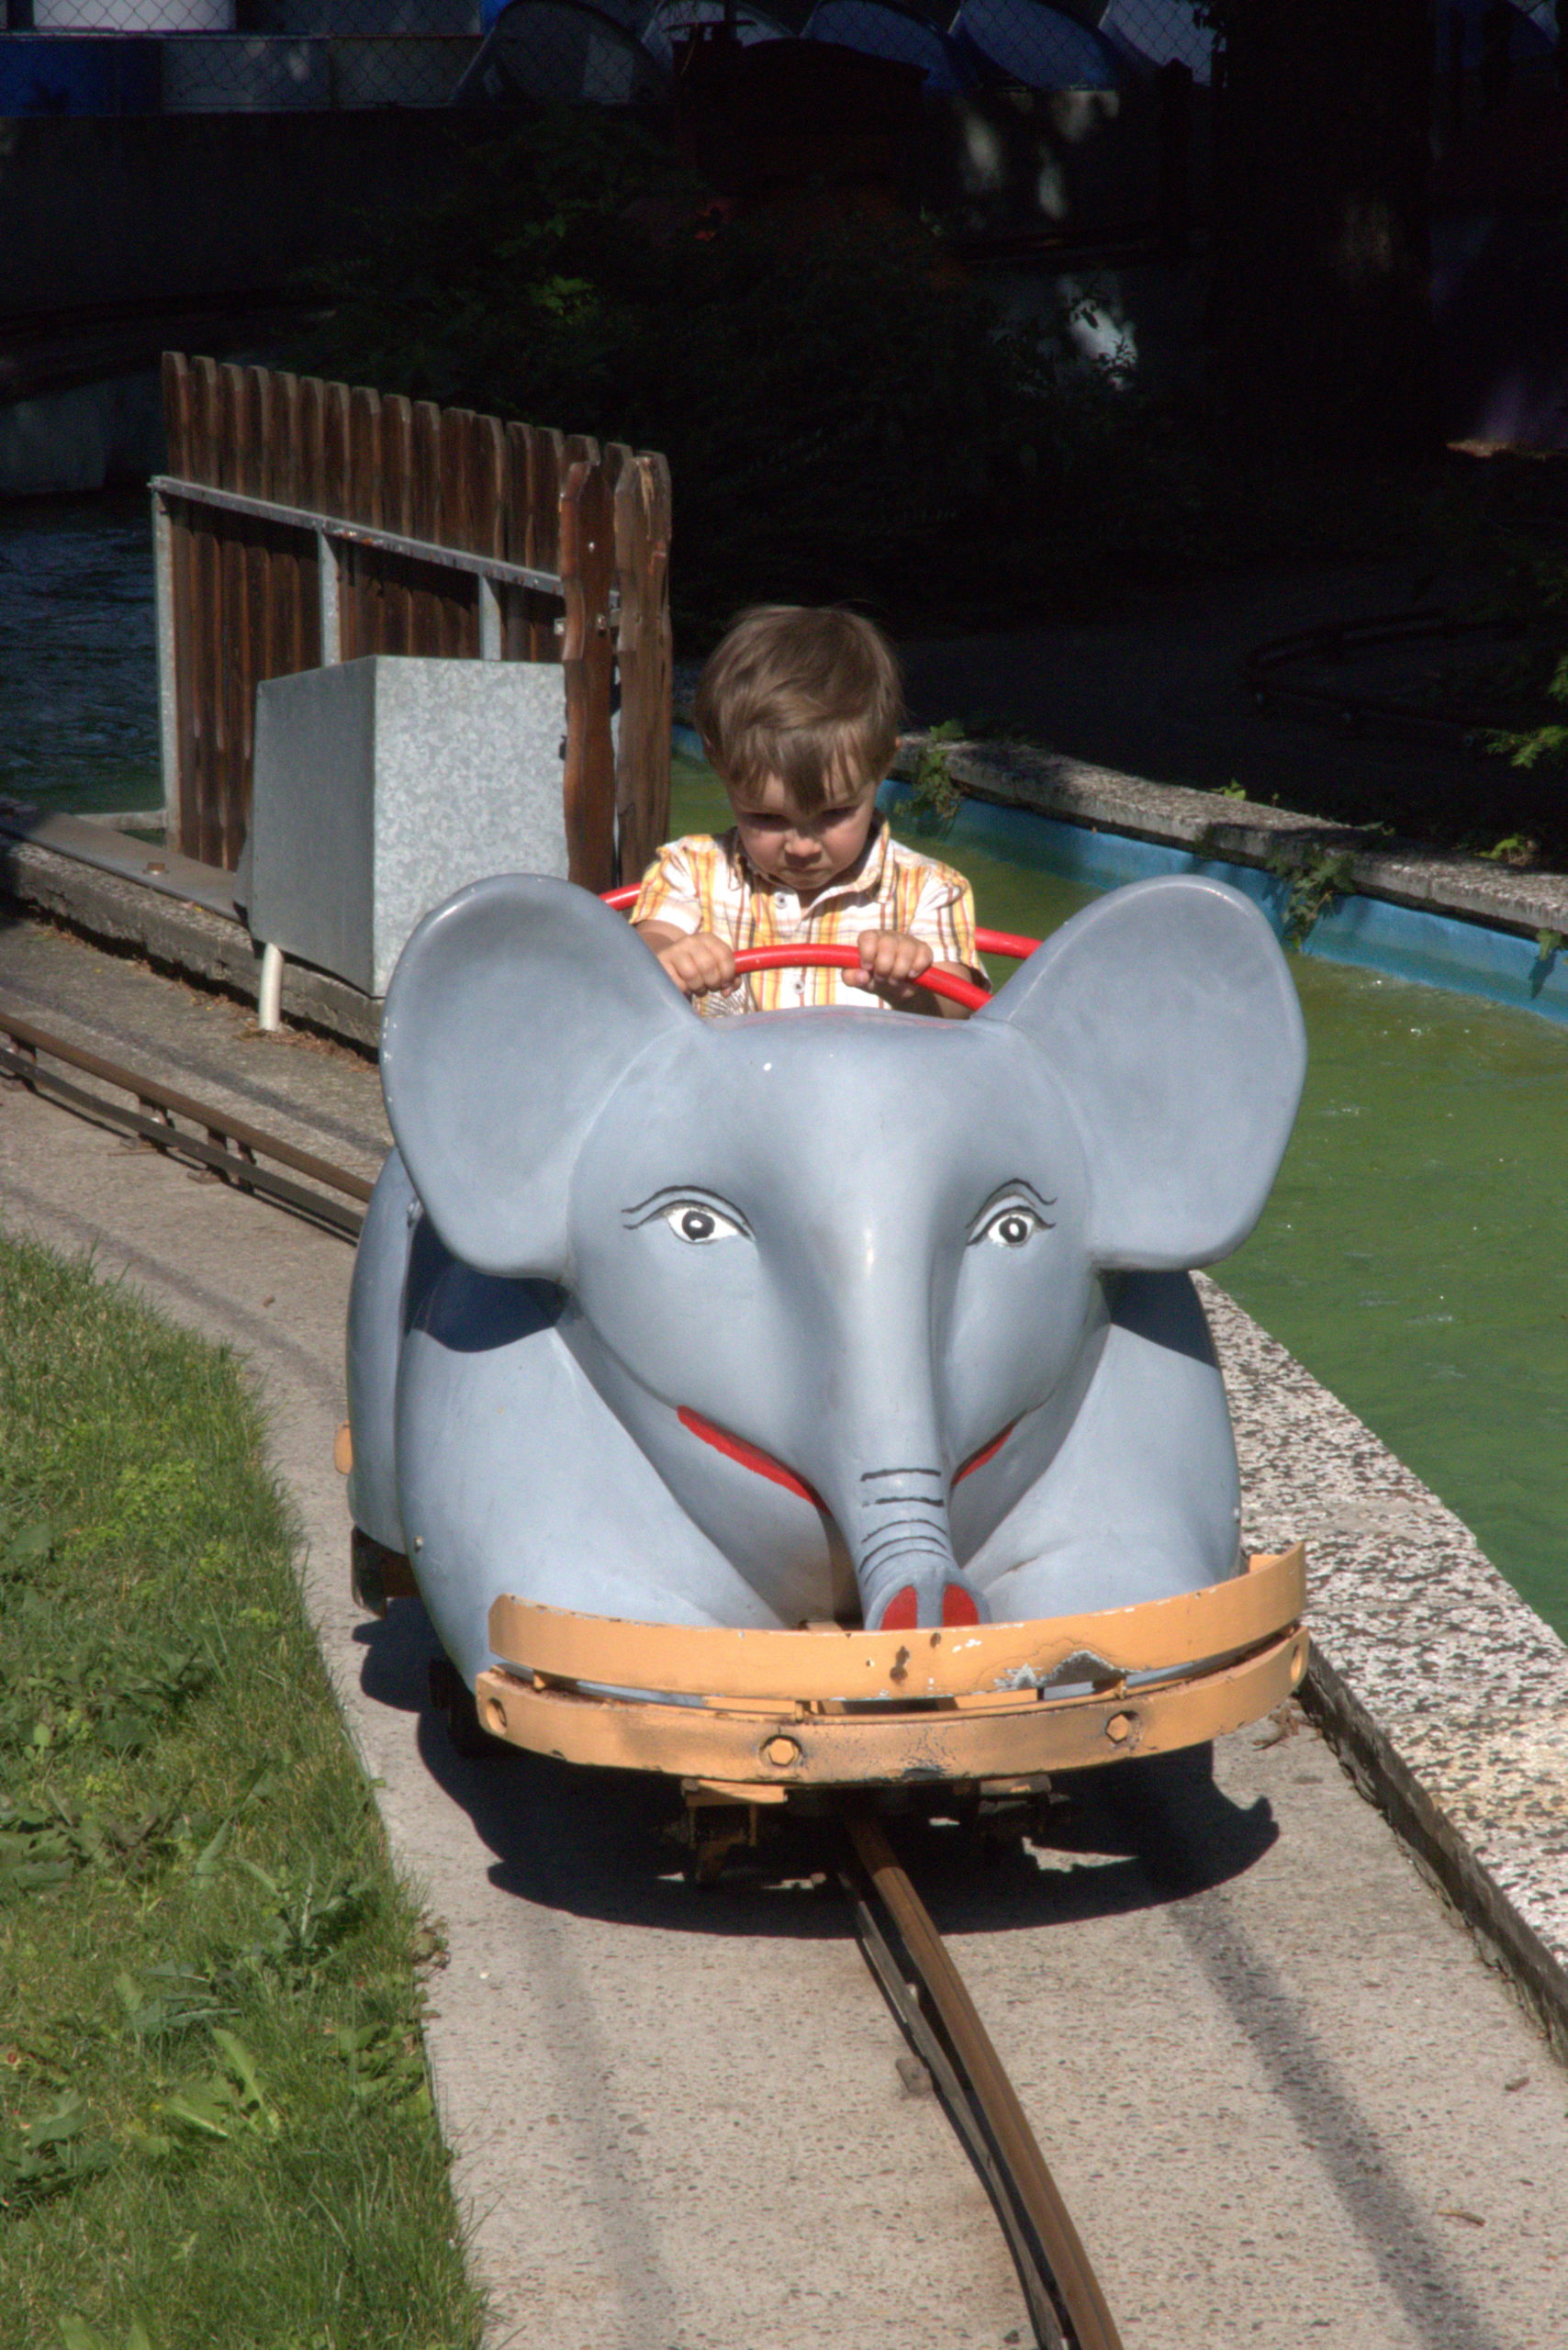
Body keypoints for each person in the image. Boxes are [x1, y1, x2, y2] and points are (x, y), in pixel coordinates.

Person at [632, 605, 988, 1018]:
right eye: (768, 818)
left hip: (868, 1063)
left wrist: (914, 990)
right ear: (719, 767)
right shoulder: (689, 872)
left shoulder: (928, 889)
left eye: (834, 813)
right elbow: (643, 953)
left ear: (882, 766)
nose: (802, 848)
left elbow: (959, 1008)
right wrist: (672, 956)